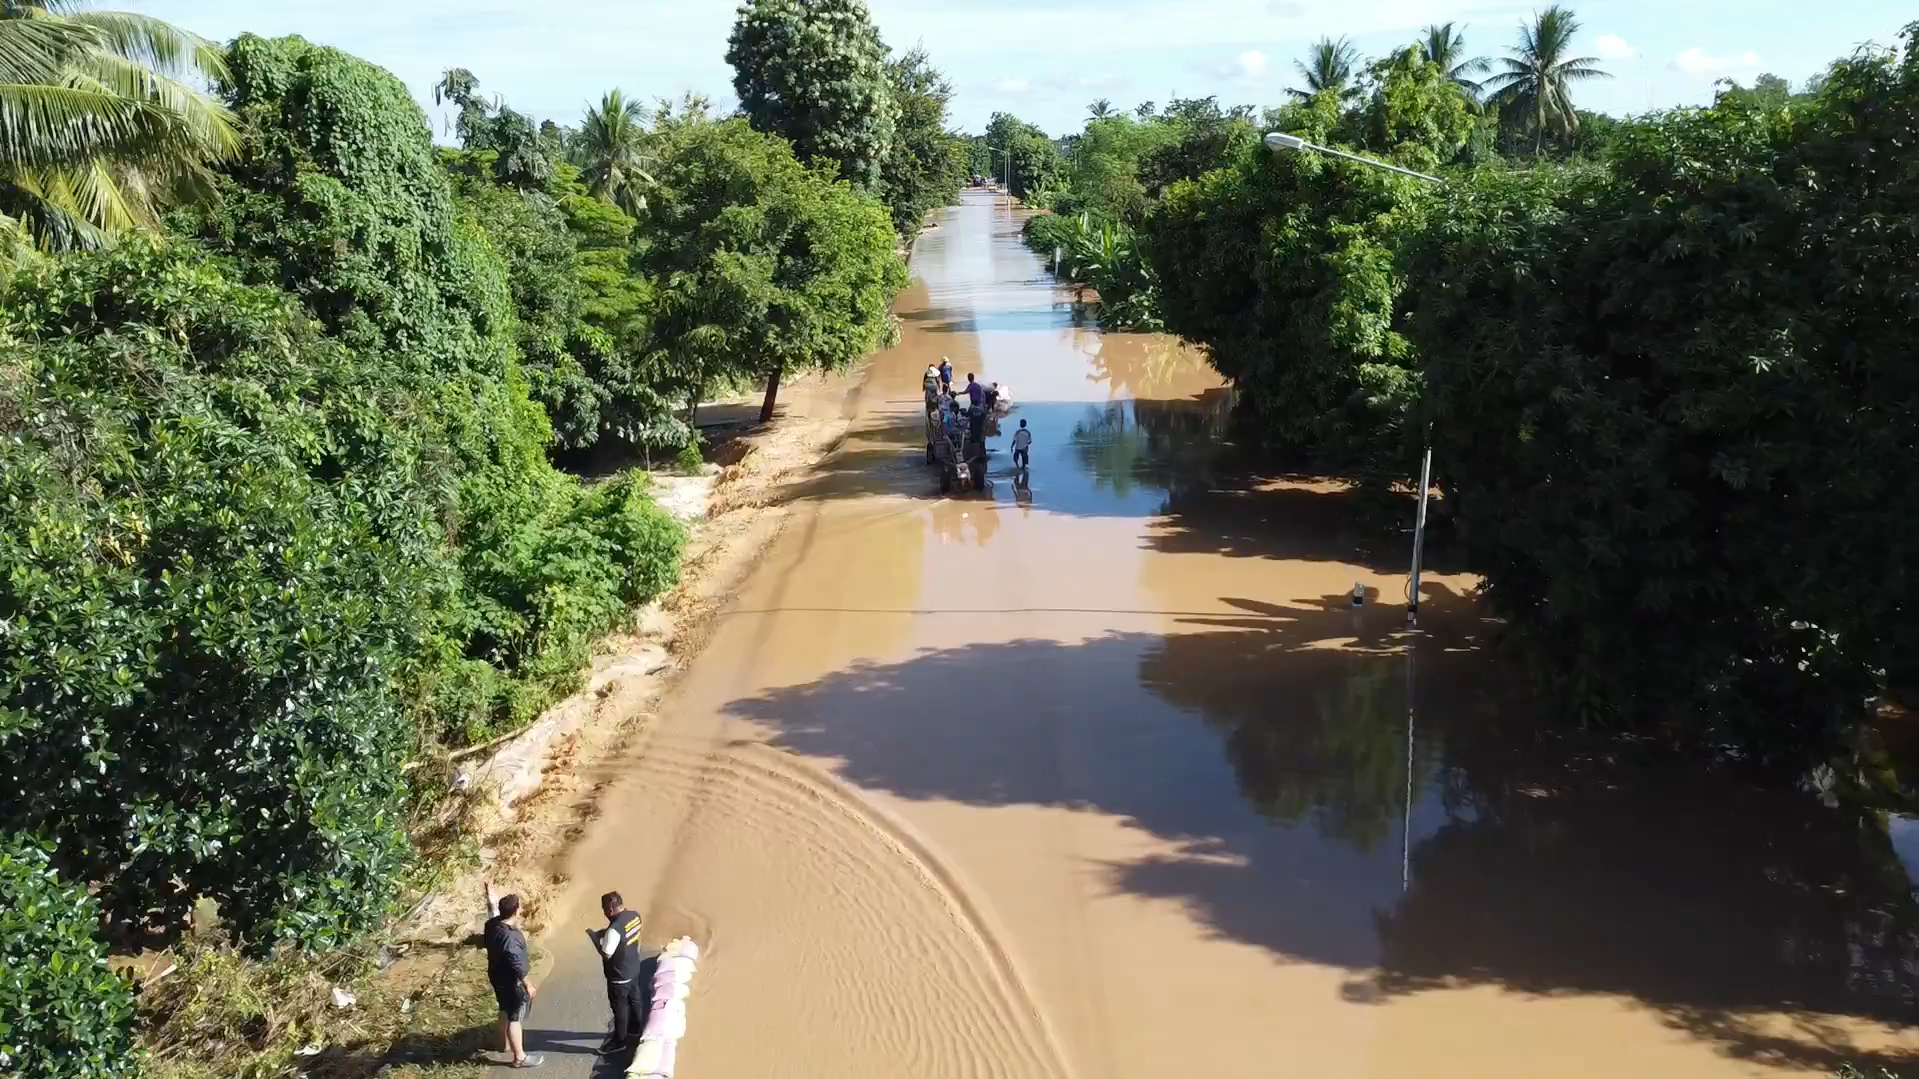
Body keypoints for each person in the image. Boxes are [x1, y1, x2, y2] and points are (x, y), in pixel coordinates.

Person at [484, 885, 542, 1069]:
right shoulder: (511, 938)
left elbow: (492, 912)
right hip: (510, 981)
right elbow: (516, 962)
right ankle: (520, 1058)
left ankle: (503, 1044)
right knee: (514, 1017)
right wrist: (528, 984)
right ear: (516, 911)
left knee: (504, 1009)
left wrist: (490, 897)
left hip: (496, 975)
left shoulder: (492, 925)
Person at [589, 891, 647, 1055]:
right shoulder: (635, 916)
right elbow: (630, 936)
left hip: (619, 975)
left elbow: (607, 954)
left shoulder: (613, 930)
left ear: (610, 909)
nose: (605, 914)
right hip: (634, 967)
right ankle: (635, 1028)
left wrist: (595, 938)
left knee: (620, 1008)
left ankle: (619, 1041)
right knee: (635, 999)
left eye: (605, 910)